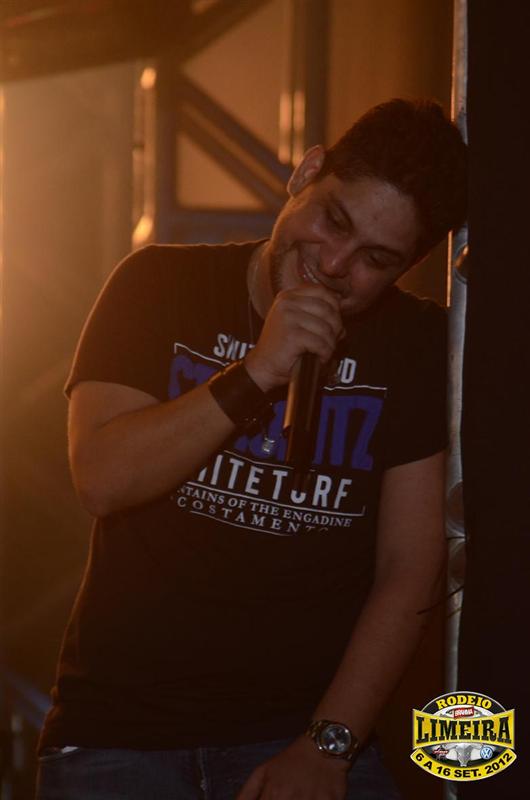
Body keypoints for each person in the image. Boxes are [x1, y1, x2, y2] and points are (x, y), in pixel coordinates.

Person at [36, 98, 467, 800]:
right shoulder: (158, 284)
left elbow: (410, 567)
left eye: (375, 260)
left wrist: (328, 746)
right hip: (122, 732)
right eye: (334, 221)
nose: (334, 264)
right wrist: (258, 372)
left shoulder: (416, 346)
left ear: (406, 269)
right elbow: (103, 479)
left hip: (303, 735)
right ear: (307, 172)